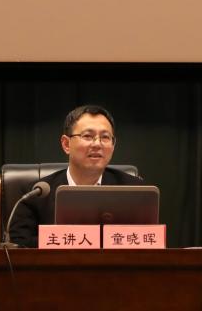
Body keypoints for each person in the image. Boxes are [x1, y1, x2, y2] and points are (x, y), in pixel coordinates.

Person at [8, 104, 142, 248]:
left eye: (105, 137)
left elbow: (148, 241)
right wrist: (76, 239)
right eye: (88, 136)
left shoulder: (134, 190)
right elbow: (19, 245)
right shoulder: (36, 194)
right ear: (66, 144)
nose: (97, 144)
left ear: (113, 145)